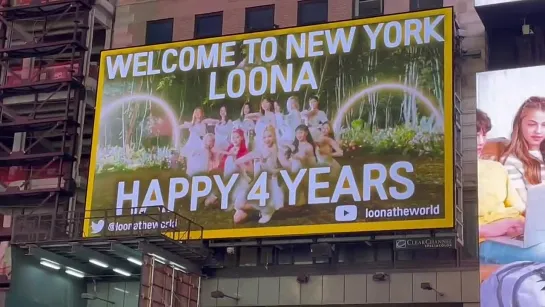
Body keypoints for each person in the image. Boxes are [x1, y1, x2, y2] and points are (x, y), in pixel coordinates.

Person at [476, 109, 525, 239]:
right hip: (482, 240)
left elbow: (520, 208)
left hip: (511, 235)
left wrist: (522, 225)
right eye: (475, 135)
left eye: (484, 135)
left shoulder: (497, 168)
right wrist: (491, 229)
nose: (481, 142)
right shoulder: (447, 175)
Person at [235, 125, 290, 224]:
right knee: (238, 209)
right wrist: (244, 168)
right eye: (264, 137)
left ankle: (267, 211)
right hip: (257, 185)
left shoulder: (278, 152)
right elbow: (240, 160)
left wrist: (275, 171)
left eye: (269, 136)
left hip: (270, 185)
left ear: (274, 136)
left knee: (263, 200)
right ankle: (258, 209)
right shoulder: (260, 151)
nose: (267, 139)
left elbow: (288, 167)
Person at [501, 96, 545, 202]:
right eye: (531, 124)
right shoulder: (511, 161)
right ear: (519, 125)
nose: (538, 131)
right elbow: (525, 206)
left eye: (544, 125)